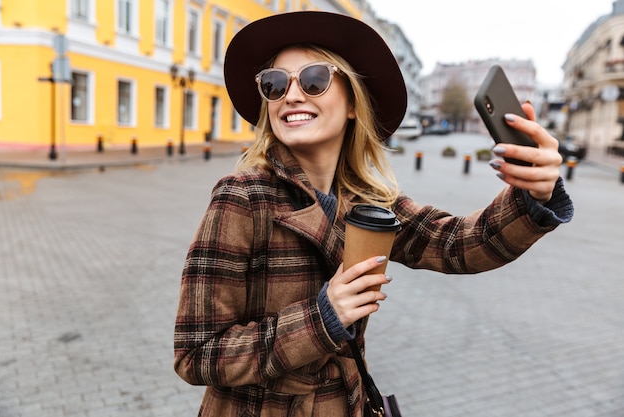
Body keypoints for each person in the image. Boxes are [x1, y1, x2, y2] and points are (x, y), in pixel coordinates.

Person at [173, 11, 573, 417]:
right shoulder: (242, 197)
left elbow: (460, 246)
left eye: (313, 80)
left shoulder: (370, 200)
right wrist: (321, 317)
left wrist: (531, 194)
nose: (291, 96)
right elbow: (196, 354)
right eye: (274, 84)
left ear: (352, 103)